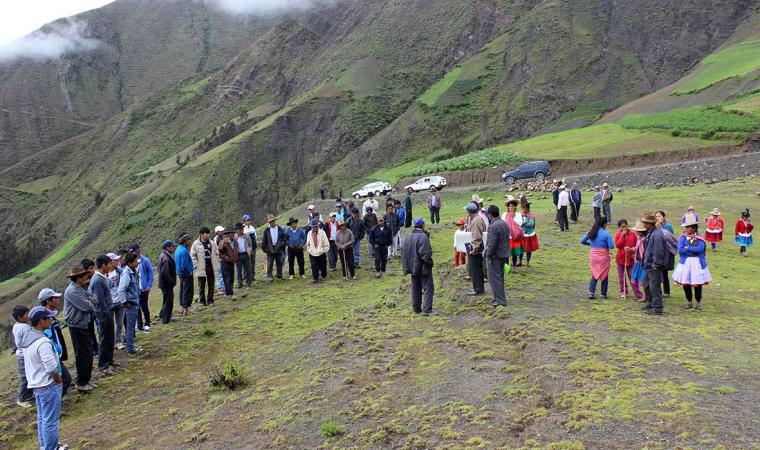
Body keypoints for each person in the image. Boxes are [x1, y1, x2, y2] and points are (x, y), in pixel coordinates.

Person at [20, 306, 67, 450]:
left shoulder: (27, 339)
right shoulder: (43, 342)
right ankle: (51, 447)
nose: (51, 321)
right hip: (48, 385)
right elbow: (51, 367)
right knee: (50, 420)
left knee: (43, 418)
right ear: (41, 320)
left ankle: (46, 445)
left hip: (37, 384)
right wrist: (58, 380)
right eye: (49, 318)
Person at [63, 264, 96, 391]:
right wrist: (91, 302)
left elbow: (93, 299)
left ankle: (86, 379)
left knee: (88, 352)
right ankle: (81, 382)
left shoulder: (80, 288)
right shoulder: (72, 291)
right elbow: (87, 306)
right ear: (78, 278)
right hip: (77, 326)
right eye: (84, 276)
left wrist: (91, 302)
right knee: (82, 354)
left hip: (83, 324)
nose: (86, 277)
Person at [673, 214, 712, 310]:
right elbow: (680, 249)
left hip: (697, 263)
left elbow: (700, 248)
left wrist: (688, 248)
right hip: (685, 263)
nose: (687, 229)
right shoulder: (683, 238)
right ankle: (689, 301)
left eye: (689, 227)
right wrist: (692, 250)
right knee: (686, 284)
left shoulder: (699, 238)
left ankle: (698, 303)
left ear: (694, 228)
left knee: (697, 284)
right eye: (686, 227)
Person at [38, 289, 72, 397]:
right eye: (55, 298)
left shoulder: (51, 316)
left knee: (63, 379)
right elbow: (48, 336)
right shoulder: (44, 318)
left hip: (56, 353)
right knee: (65, 379)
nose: (58, 300)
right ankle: (54, 401)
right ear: (48, 301)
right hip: (52, 354)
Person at [402, 218, 435, 314]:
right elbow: (425, 254)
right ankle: (427, 309)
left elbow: (404, 252)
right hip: (423, 267)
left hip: (412, 267)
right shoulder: (423, 237)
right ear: (423, 225)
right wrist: (430, 263)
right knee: (428, 287)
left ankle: (416, 308)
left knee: (416, 287)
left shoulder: (408, 236)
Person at [89, 255, 115, 375]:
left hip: (107, 311)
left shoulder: (102, 277)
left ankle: (109, 360)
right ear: (103, 265)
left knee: (110, 337)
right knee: (104, 338)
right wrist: (105, 314)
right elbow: (99, 300)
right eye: (109, 264)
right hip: (103, 313)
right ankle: (103, 365)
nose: (110, 266)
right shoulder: (98, 280)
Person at [580, 217, 615, 299]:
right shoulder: (606, 234)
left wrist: (591, 244)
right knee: (604, 274)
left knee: (594, 273)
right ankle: (603, 294)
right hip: (603, 257)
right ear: (605, 224)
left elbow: (582, 241)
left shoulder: (592, 232)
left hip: (593, 256)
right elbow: (611, 246)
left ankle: (591, 292)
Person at [641, 213, 669, 315]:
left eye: (645, 222)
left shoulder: (657, 235)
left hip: (654, 265)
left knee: (655, 287)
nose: (643, 224)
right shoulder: (650, 233)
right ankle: (650, 302)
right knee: (646, 284)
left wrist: (656, 264)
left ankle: (657, 308)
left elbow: (658, 251)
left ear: (649, 224)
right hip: (648, 264)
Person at [485, 206, 509, 307]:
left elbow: (492, 244)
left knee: (495, 279)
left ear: (490, 215)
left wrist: (488, 255)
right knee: (500, 277)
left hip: (495, 256)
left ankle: (500, 300)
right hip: (504, 254)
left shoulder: (493, 226)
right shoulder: (504, 223)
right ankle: (498, 298)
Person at [117, 253, 141, 353]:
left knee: (132, 325)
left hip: (135, 301)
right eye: (135, 261)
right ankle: (130, 347)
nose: (137, 262)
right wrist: (125, 302)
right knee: (130, 326)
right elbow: (121, 290)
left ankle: (130, 344)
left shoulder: (134, 271)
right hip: (130, 303)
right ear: (130, 263)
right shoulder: (126, 274)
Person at [191, 227, 220, 306]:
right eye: (206, 233)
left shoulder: (212, 243)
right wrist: (196, 265)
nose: (208, 235)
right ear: (201, 234)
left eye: (208, 233)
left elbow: (217, 253)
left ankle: (210, 300)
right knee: (201, 285)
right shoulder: (196, 244)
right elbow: (193, 256)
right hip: (201, 267)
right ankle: (202, 301)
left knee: (211, 284)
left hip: (211, 266)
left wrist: (216, 261)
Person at [128, 245, 153, 333]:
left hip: (143, 288)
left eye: (134, 252)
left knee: (144, 307)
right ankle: (139, 324)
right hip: (135, 289)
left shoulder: (145, 260)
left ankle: (147, 325)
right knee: (136, 307)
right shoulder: (131, 263)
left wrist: (149, 286)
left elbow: (151, 273)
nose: (133, 254)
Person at [12, 305, 33, 407]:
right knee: (25, 377)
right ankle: (21, 399)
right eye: (26, 315)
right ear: (20, 317)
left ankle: (29, 395)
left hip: (22, 354)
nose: (28, 316)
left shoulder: (16, 326)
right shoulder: (24, 327)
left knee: (28, 375)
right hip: (23, 355)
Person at [465, 202, 486, 296]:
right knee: (478, 268)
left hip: (476, 249)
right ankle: (479, 288)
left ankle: (477, 289)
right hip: (478, 247)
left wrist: (475, 249)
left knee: (475, 269)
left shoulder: (475, 221)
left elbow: (477, 237)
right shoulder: (478, 218)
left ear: (469, 212)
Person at [614, 220, 638, 299]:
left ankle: (636, 292)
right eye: (622, 227)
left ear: (628, 226)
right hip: (621, 259)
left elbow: (636, 245)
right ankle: (623, 291)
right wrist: (622, 236)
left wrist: (633, 252)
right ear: (619, 227)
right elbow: (618, 245)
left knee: (632, 276)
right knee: (621, 277)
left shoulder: (633, 234)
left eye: (625, 226)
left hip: (631, 259)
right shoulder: (618, 234)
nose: (624, 228)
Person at [107, 252, 126, 350]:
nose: (118, 261)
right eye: (115, 260)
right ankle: (111, 342)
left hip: (119, 301)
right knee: (109, 324)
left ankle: (118, 340)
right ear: (110, 262)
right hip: (109, 303)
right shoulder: (103, 275)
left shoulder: (120, 271)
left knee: (119, 323)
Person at [157, 240, 177, 324]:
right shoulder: (166, 258)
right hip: (167, 284)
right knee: (168, 301)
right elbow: (165, 273)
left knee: (166, 300)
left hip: (164, 283)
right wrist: (171, 281)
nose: (174, 248)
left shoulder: (163, 255)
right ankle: (166, 320)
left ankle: (162, 315)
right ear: (167, 247)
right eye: (172, 246)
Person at [261, 214, 286, 281]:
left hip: (278, 248)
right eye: (271, 221)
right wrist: (266, 250)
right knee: (270, 263)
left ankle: (279, 275)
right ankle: (269, 276)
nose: (272, 222)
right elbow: (264, 241)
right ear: (269, 222)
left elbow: (283, 239)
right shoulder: (266, 230)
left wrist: (280, 245)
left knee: (279, 263)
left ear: (275, 220)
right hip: (270, 249)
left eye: (273, 221)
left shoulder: (279, 228)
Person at [502, 196, 524, 269]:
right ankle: (506, 269)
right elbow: (503, 224)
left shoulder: (518, 214)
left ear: (515, 207)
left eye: (512, 206)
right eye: (510, 206)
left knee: (514, 254)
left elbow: (520, 223)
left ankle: (514, 267)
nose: (511, 207)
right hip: (507, 237)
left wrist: (513, 217)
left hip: (515, 237)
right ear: (508, 207)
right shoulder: (505, 214)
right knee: (507, 254)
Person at [175, 234, 194, 315]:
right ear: (184, 241)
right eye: (188, 240)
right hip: (186, 273)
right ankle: (186, 308)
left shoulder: (178, 249)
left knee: (182, 289)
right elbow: (185, 264)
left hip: (180, 272)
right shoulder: (184, 251)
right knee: (187, 290)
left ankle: (182, 307)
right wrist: (190, 271)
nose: (190, 241)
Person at [629, 221, 647, 302]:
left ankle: (646, 296)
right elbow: (636, 249)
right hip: (638, 262)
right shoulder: (639, 239)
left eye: (637, 231)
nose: (636, 232)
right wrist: (630, 249)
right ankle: (644, 295)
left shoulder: (645, 240)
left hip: (643, 262)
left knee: (644, 280)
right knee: (636, 280)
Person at [218, 228, 238, 297]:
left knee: (231, 277)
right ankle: (230, 294)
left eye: (233, 233)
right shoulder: (223, 242)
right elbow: (220, 253)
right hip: (225, 262)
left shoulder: (235, 241)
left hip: (232, 262)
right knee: (227, 278)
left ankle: (228, 292)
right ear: (229, 234)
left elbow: (236, 250)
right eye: (232, 233)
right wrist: (226, 258)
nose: (233, 235)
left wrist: (235, 258)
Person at [519, 200, 538, 267]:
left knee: (529, 250)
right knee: (521, 249)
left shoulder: (531, 215)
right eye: (523, 207)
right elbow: (518, 223)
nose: (525, 209)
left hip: (529, 235)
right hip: (522, 234)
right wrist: (526, 221)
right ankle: (520, 261)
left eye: (526, 207)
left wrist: (522, 223)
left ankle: (527, 262)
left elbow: (531, 224)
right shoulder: (520, 215)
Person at [234, 223, 253, 287]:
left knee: (248, 269)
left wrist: (249, 251)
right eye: (238, 229)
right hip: (238, 255)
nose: (240, 231)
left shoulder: (247, 236)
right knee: (238, 270)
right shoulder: (235, 237)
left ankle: (249, 282)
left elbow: (250, 245)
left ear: (243, 229)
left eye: (241, 229)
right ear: (236, 230)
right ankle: (240, 282)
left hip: (246, 254)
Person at [242, 215, 258, 282]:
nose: (249, 221)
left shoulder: (252, 227)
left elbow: (255, 237)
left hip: (253, 248)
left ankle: (252, 276)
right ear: (244, 221)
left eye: (249, 220)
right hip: (246, 249)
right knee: (246, 263)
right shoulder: (243, 229)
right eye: (247, 220)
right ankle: (246, 277)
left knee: (253, 262)